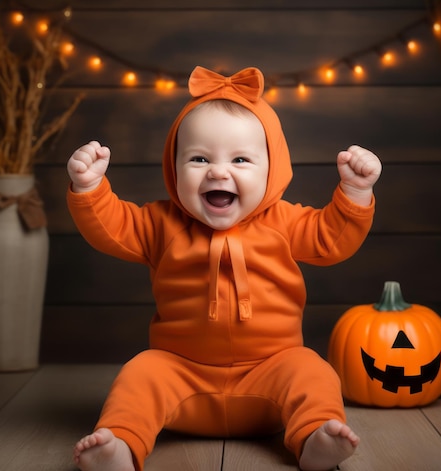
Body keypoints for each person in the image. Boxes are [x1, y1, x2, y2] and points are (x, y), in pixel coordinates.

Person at [67, 66, 381, 471]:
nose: (218, 171)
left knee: (312, 371)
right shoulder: (161, 224)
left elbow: (331, 238)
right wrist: (90, 188)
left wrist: (354, 193)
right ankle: (121, 444)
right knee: (139, 374)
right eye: (198, 158)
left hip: (270, 374)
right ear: (173, 168)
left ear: (272, 170)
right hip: (181, 375)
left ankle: (314, 436)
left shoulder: (283, 222)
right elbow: (113, 227)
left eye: (240, 159)